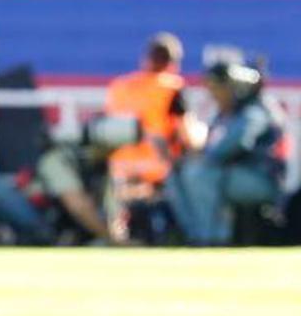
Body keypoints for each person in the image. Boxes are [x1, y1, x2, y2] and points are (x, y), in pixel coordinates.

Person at [166, 62, 285, 245]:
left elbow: (227, 149)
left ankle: (214, 239)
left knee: (200, 175)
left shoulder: (256, 111)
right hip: (235, 174)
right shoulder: (226, 113)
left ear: (236, 89)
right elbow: (209, 147)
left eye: (219, 88)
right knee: (176, 174)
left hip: (261, 179)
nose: (214, 94)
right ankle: (194, 234)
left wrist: (200, 158)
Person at [104, 33, 194, 241]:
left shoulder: (120, 86)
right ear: (173, 63)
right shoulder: (171, 87)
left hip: (120, 170)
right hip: (159, 172)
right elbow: (188, 137)